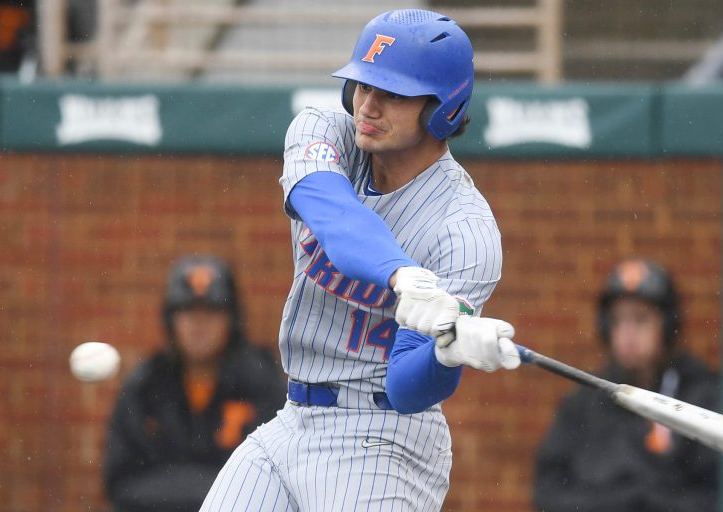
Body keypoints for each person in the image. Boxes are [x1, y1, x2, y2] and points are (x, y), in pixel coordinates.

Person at [201, 9, 520, 512]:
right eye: (362, 86)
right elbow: (334, 216)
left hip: (382, 441)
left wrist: (446, 353)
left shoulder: (466, 232)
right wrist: (400, 275)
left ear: (443, 108)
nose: (367, 106)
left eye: (392, 93)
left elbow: (407, 388)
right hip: (291, 420)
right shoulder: (324, 131)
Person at [534, 259, 720, 512]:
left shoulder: (699, 398)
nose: (627, 334)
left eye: (640, 320)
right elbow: (548, 493)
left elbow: (713, 496)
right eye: (618, 321)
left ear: (667, 327)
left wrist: (644, 502)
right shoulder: (583, 403)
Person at [104, 255, 286, 512]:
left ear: (231, 320)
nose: (199, 324)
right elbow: (121, 483)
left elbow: (276, 481)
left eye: (211, 311)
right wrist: (210, 488)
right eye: (187, 311)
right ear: (171, 320)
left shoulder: (260, 384)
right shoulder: (145, 387)